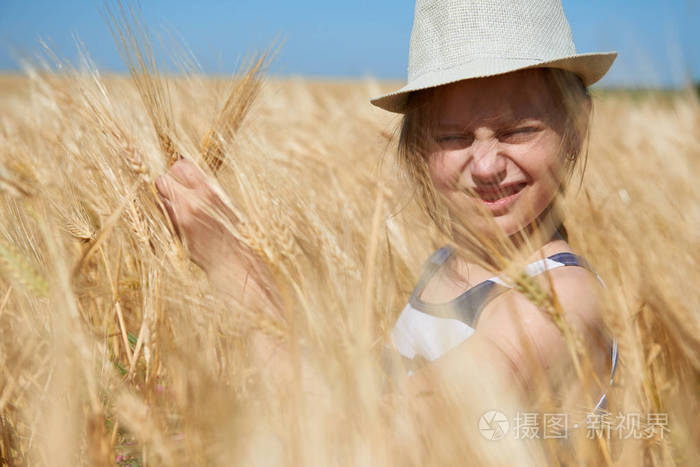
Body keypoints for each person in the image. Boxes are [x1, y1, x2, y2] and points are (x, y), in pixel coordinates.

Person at [155, 0, 617, 410]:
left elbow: (363, 442)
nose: (485, 165)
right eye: (452, 138)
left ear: (575, 127)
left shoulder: (560, 306)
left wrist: (236, 273)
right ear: (417, 147)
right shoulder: (450, 263)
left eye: (518, 131)